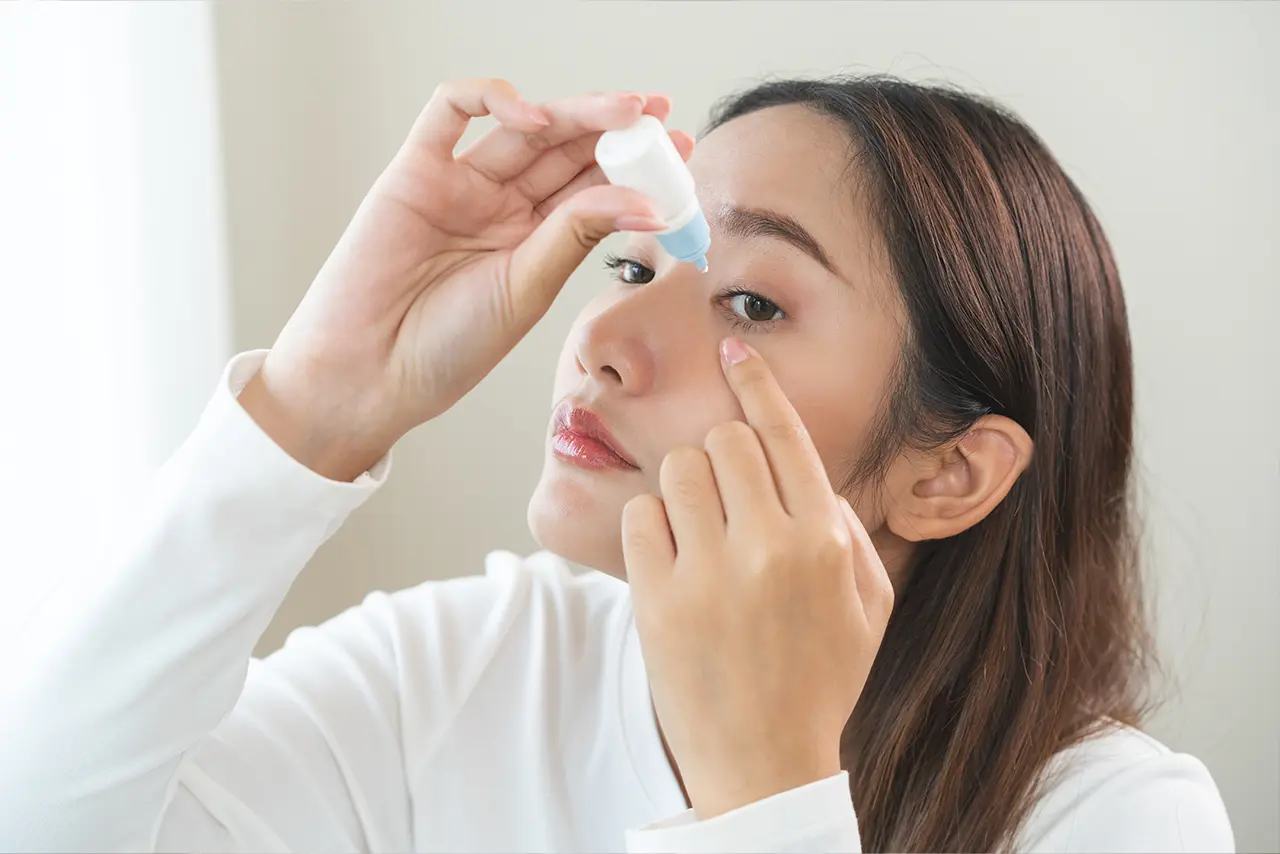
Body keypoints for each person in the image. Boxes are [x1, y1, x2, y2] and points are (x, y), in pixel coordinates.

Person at [0, 76, 1235, 853]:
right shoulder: (468, 666)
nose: (599, 341)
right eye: (636, 267)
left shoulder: (1114, 821)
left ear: (948, 473)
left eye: (749, 301)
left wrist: (763, 794)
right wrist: (314, 410)